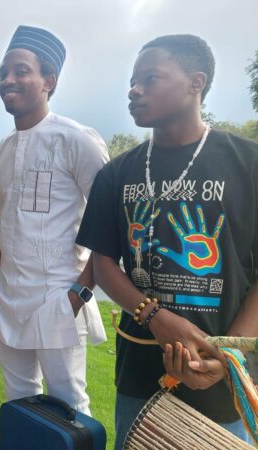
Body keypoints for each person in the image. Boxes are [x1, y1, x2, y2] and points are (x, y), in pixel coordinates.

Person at [76, 34, 258, 449]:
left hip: (224, 375)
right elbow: (104, 263)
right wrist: (155, 316)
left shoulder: (248, 164)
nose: (133, 90)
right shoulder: (117, 173)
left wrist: (227, 356)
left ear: (196, 82)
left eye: (150, 78)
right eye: (132, 81)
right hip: (141, 372)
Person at [0, 24, 109, 415]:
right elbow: (6, 225)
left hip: (58, 297)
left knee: (70, 407)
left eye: (21, 71)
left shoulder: (77, 139)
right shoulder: (2, 150)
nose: (8, 80)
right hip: (9, 297)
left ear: (49, 80)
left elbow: (112, 223)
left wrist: (80, 292)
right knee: (20, 402)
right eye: (3, 73)